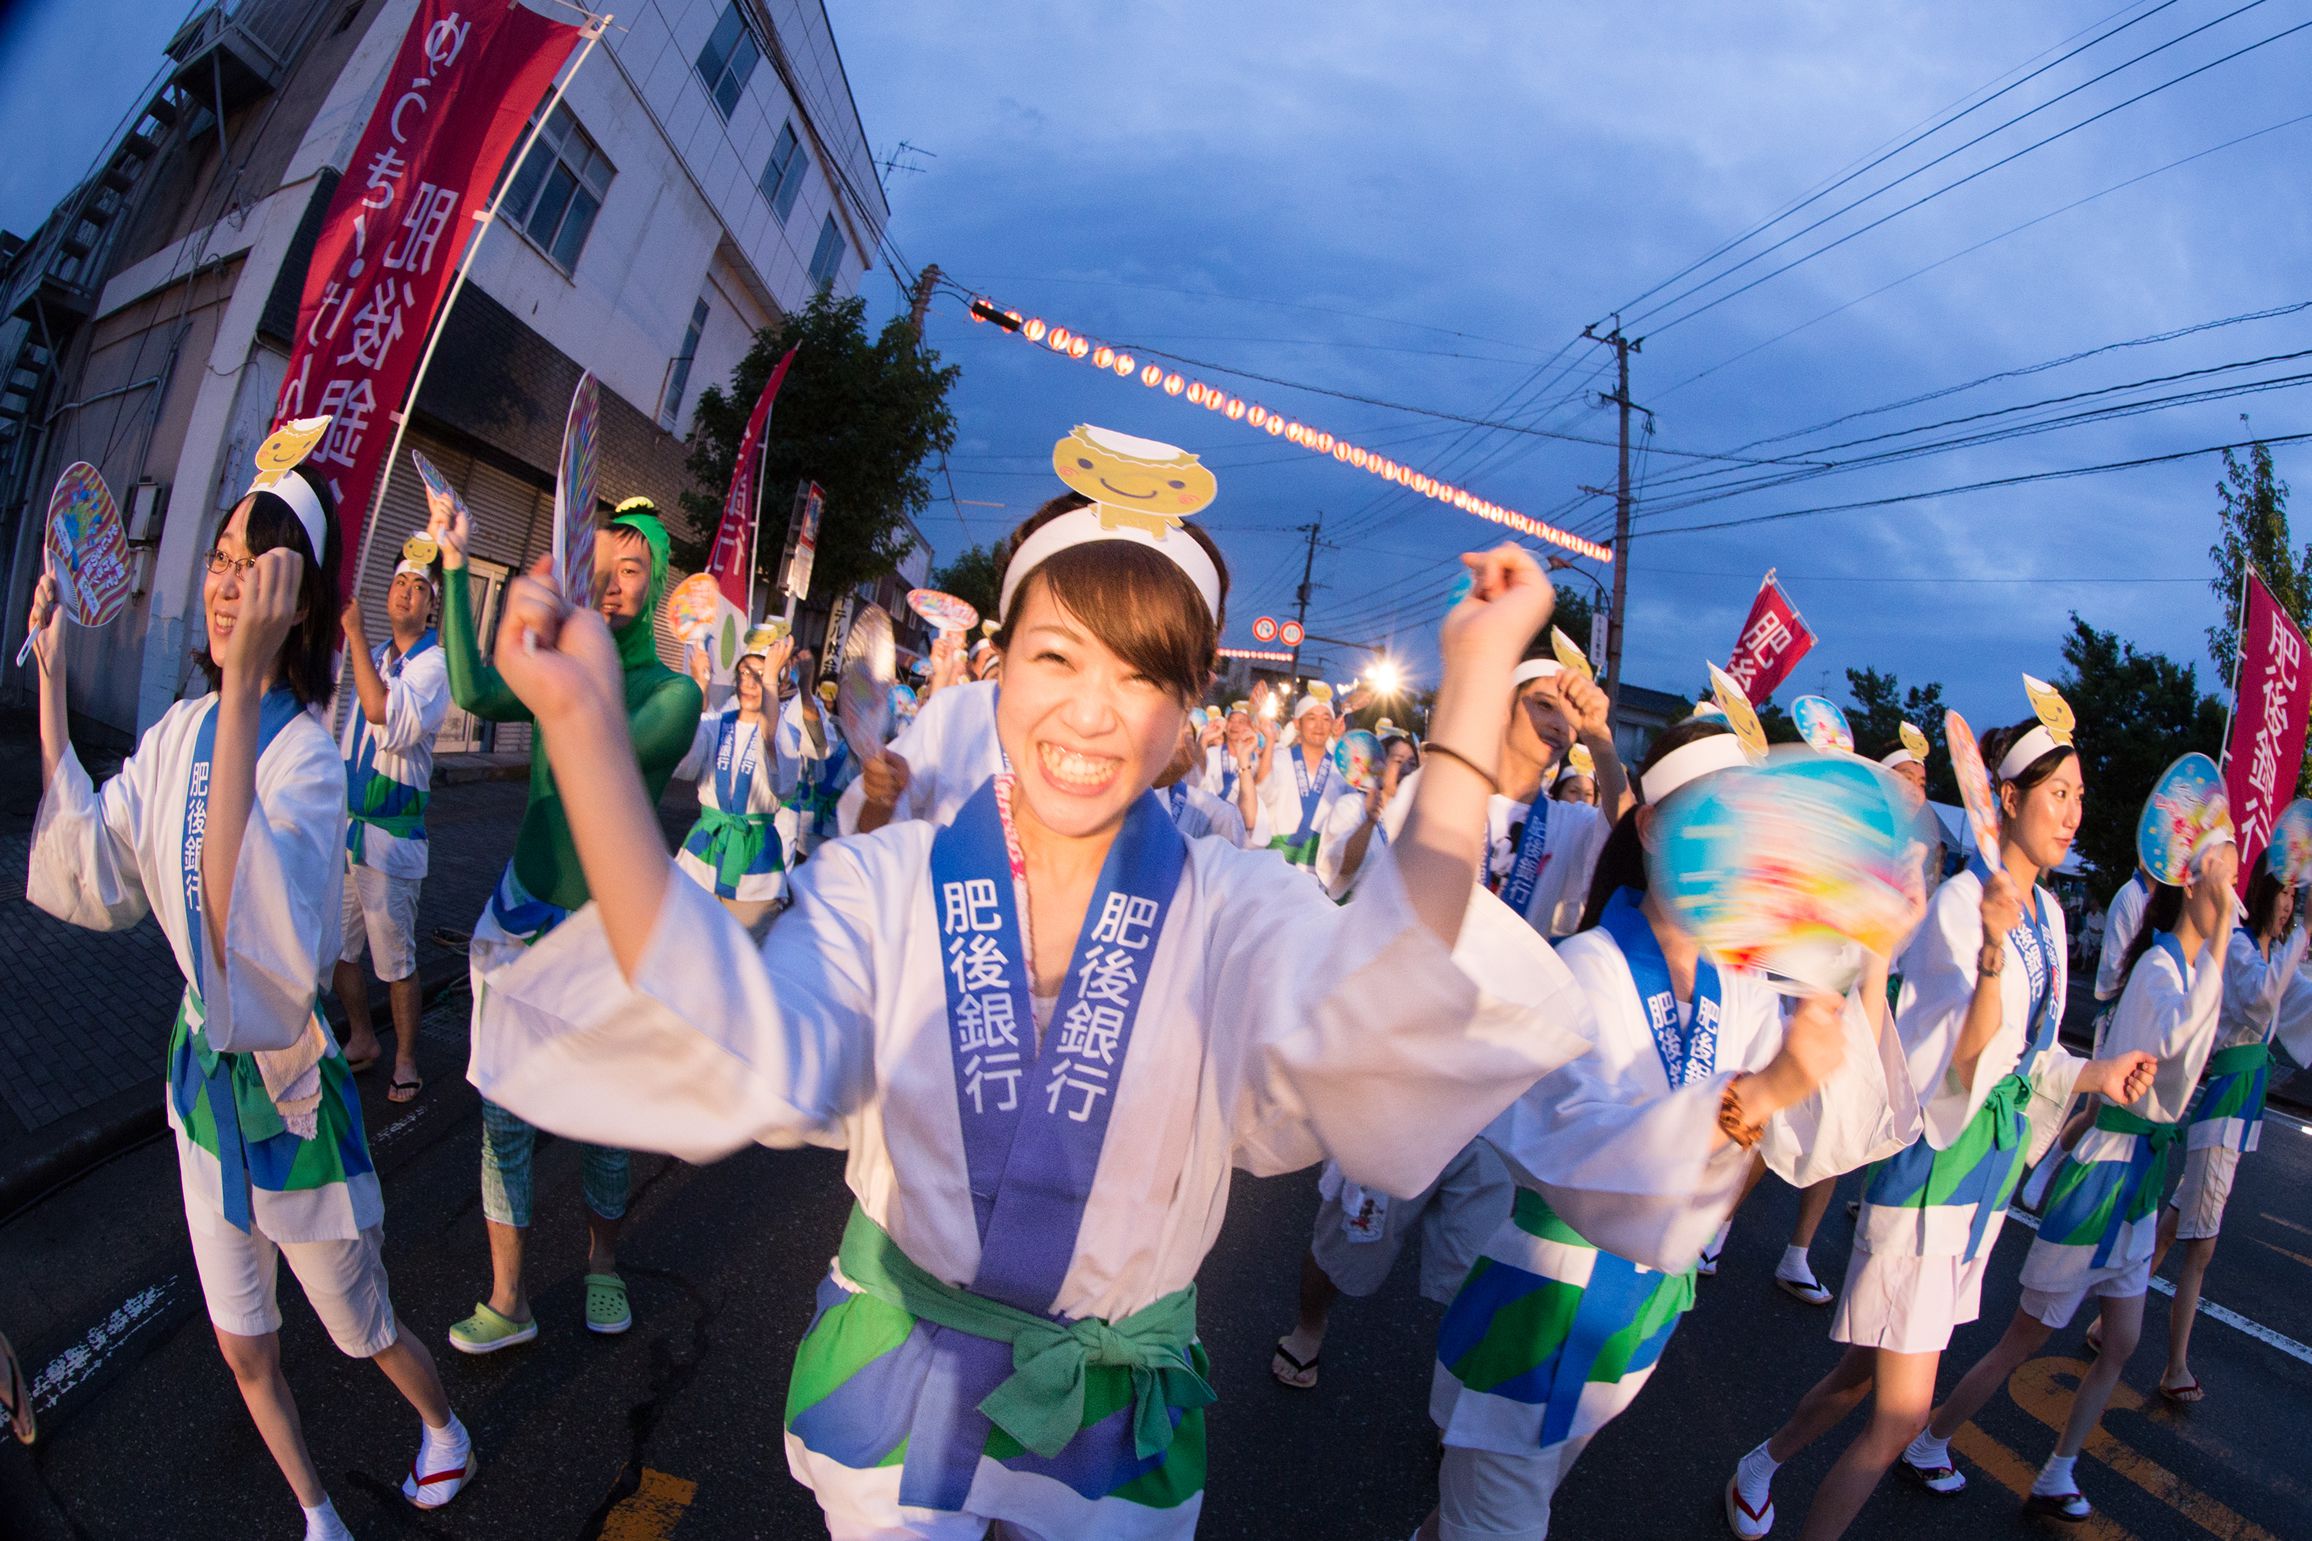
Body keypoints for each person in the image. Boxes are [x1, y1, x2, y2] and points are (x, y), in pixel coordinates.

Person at [464, 463, 1597, 1539]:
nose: (1094, 714)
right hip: (897, 1380)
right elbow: (750, 1044)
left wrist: (1466, 722)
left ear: (1193, 699)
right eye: (1058, 657)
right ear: (1001, 663)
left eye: (1144, 674)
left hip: (1115, 1407)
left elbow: (1372, 1024)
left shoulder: (1239, 903)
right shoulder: (885, 880)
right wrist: (581, 725)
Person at [26, 464, 471, 1537]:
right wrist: (49, 677)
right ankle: (318, 1511)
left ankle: (444, 1423)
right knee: (242, 1340)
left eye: (253, 567)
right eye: (220, 560)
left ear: (300, 597)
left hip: (288, 1102)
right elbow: (100, 858)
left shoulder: (308, 763)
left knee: (358, 1324)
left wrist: (240, 693)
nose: (227, 586)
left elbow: (261, 956)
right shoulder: (182, 727)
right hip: (201, 1093)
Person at [1417, 718, 1875, 1541]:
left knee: (1499, 1506)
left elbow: (1824, 1139)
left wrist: (1858, 973)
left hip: (1636, 1318)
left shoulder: (1744, 986)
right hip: (1542, 1306)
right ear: (1654, 823)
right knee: (1502, 1515)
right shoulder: (1581, 966)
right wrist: (1762, 1088)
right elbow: (1578, 1142)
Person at [1723, 703, 2157, 1541]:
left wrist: (2096, 1072)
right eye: (2057, 792)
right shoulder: (1962, 907)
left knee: (1862, 1375)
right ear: (2010, 798)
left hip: (1982, 1193)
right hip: (1930, 1180)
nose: (2073, 812)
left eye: (2079, 795)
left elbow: (2028, 1064)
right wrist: (1992, 957)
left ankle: (1760, 1463)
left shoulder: (2053, 919)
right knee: (1898, 1418)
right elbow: (1949, 1073)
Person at [432, 492, 703, 1354]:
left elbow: (602, 742)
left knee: (602, 1123)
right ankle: (509, 1297)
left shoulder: (674, 693)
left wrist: (552, 652)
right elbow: (474, 687)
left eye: (633, 571)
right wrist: (453, 565)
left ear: (657, 587)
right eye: (603, 568)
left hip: (606, 939)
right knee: (504, 1117)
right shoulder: (560, 664)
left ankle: (602, 1263)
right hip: (517, 916)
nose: (614, 586)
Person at [1907, 835, 2235, 1521]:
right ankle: (1928, 1437)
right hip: (2105, 1176)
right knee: (2023, 1337)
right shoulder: (2158, 969)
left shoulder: (2189, 967)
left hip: (2140, 1182)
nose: (2232, 886)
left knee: (2120, 1340)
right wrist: (2226, 943)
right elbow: (2173, 1056)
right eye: (2222, 873)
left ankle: (2059, 1469)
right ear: (2192, 884)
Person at [334, 549, 450, 1104]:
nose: (406, 592)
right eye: (399, 581)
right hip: (348, 831)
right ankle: (362, 1037)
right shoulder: (373, 655)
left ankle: (405, 1057)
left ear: (431, 606)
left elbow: (384, 715)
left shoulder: (433, 666)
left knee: (397, 962)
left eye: (419, 587)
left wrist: (353, 634)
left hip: (392, 840)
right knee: (336, 950)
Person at [676, 631, 818, 929]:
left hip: (756, 872)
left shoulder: (785, 733)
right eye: (743, 673)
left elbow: (779, 775)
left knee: (741, 965)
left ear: (778, 682)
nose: (749, 683)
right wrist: (698, 686)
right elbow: (684, 765)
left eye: (760, 675)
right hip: (701, 856)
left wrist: (776, 682)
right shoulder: (716, 724)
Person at [1258, 687, 1352, 871]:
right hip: (1276, 868)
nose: (1319, 726)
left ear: (1334, 724)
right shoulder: (1280, 759)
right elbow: (1262, 793)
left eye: (1326, 719)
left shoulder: (1342, 770)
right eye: (1311, 718)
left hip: (1320, 874)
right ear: (1297, 723)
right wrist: (1269, 742)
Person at [1157, 716, 1249, 845]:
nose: (1180, 743)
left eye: (1188, 737)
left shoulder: (1198, 802)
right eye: (1174, 733)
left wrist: (1203, 741)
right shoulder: (1130, 791)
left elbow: (1241, 822)